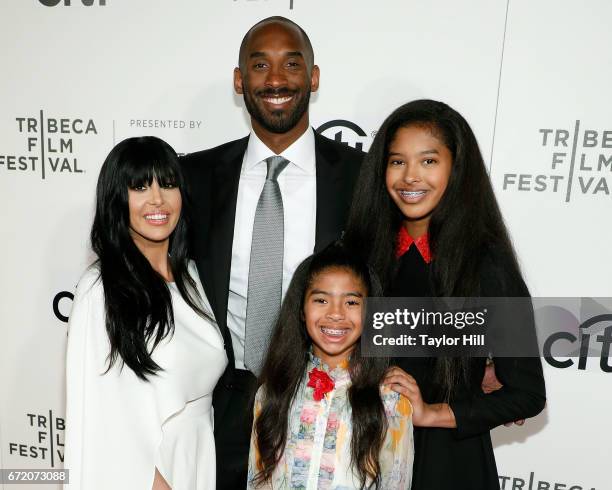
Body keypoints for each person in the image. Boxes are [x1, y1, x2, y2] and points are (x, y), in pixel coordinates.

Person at [181, 16, 363, 488]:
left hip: (328, 401)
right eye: (260, 65)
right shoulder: (195, 178)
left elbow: (394, 277)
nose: (277, 79)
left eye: (291, 64)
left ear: (314, 77)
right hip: (221, 402)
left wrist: (476, 360)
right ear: (240, 81)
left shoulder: (361, 178)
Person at [344, 99, 546, 490]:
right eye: (397, 161)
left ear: (456, 170)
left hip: (447, 465)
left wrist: (431, 413)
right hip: (359, 456)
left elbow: (527, 394)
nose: (410, 177)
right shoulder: (359, 255)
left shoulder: (486, 264)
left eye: (429, 161)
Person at [64, 137, 227, 490]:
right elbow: (104, 416)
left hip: (196, 454)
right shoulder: (100, 289)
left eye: (167, 184)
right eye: (139, 186)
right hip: (147, 471)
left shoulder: (192, 276)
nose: (157, 199)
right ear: (116, 199)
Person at [247, 242, 413, 489]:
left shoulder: (390, 400)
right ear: (302, 309)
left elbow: (396, 481)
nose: (336, 313)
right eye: (322, 300)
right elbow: (256, 479)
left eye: (351, 303)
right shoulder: (273, 392)